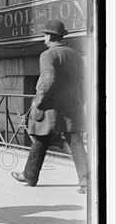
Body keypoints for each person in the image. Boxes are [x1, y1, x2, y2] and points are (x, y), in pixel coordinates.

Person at [11, 19, 88, 194]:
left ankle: (30, 176)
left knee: (40, 139)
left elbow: (47, 81)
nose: (44, 39)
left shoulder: (47, 55)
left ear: (50, 36)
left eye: (45, 35)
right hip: (72, 107)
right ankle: (86, 182)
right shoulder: (75, 54)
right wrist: (80, 101)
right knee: (76, 143)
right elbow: (84, 82)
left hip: (51, 108)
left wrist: (38, 101)